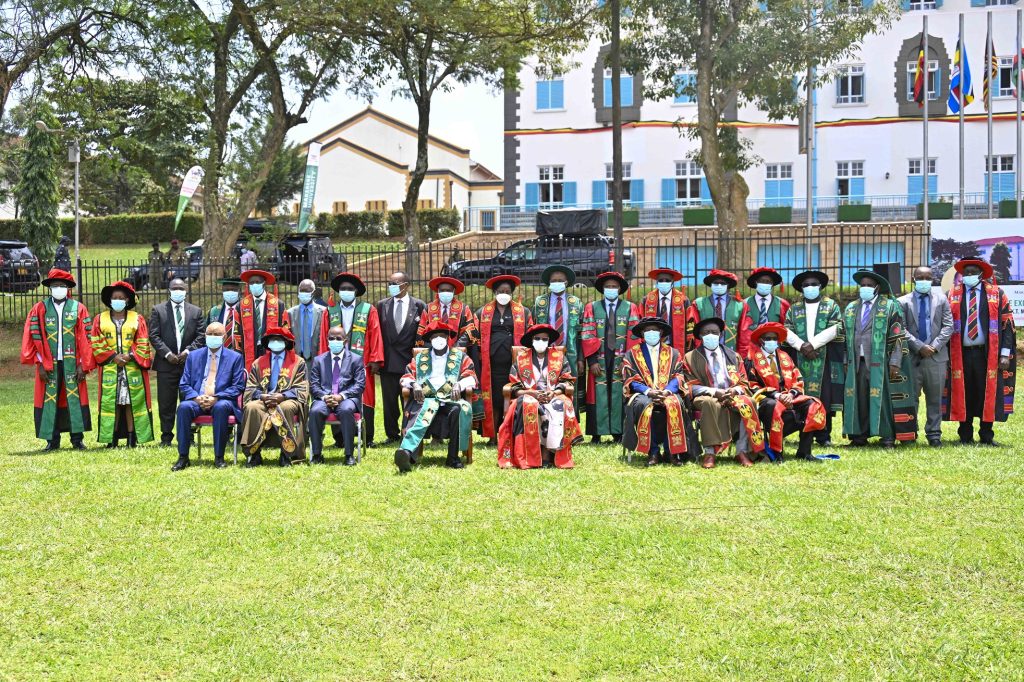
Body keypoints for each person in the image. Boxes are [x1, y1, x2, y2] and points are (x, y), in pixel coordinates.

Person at [944, 258, 1017, 445]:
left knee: (987, 392)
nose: (969, 275)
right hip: (961, 353)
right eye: (966, 272)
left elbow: (1007, 326)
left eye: (973, 272)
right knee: (963, 392)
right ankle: (965, 435)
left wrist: (1004, 354)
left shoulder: (997, 294)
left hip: (988, 354)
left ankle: (986, 435)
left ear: (981, 274)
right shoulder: (952, 294)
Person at [20, 268, 95, 451]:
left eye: (62, 285)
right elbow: (33, 337)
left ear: (68, 288)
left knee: (74, 399)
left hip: (73, 363)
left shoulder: (78, 308)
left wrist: (82, 365)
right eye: (55, 285)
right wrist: (40, 364)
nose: (59, 288)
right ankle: (51, 441)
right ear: (50, 288)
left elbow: (86, 338)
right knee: (49, 399)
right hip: (48, 362)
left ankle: (77, 439)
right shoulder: (40, 309)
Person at [841, 270, 917, 447]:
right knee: (858, 399)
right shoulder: (851, 308)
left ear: (877, 288)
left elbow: (898, 335)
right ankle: (859, 436)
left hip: (880, 362)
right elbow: (843, 337)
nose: (865, 288)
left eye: (869, 285)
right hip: (856, 363)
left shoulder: (889, 306)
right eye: (862, 285)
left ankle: (887, 435)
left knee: (882, 400)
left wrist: (895, 361)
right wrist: (845, 360)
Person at [682, 317, 765, 468]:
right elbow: (689, 385)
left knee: (749, 402)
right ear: (700, 336)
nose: (710, 335)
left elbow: (744, 382)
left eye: (714, 332)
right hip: (705, 396)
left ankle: (742, 451)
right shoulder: (691, 357)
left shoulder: (734, 356)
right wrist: (714, 392)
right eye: (706, 332)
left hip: (732, 394)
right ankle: (710, 452)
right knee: (710, 403)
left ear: (720, 334)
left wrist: (733, 390)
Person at [394, 322, 477, 472]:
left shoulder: (460, 357)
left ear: (448, 338)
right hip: (425, 400)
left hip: (449, 400)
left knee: (459, 411)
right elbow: (405, 376)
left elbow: (471, 377)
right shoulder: (419, 358)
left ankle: (453, 458)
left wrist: (460, 384)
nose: (439, 339)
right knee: (418, 412)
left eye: (442, 336)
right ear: (430, 340)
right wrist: (414, 385)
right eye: (435, 336)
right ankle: (406, 453)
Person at [497, 323, 581, 469]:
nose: (541, 341)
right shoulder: (521, 358)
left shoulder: (560, 357)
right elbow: (515, 387)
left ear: (549, 341)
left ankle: (548, 453)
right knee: (529, 405)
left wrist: (554, 392)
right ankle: (531, 454)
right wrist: (531, 393)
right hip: (529, 394)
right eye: (537, 338)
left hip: (553, 394)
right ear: (532, 340)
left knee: (560, 405)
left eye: (544, 339)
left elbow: (567, 381)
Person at [745, 322, 826, 462]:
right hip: (765, 398)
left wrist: (791, 394)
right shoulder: (752, 358)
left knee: (812, 404)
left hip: (789, 396)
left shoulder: (785, 356)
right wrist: (777, 395)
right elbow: (751, 385)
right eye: (768, 338)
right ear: (761, 340)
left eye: (774, 338)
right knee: (772, 405)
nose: (772, 341)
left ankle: (804, 451)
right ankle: (777, 452)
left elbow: (797, 378)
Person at [171, 322, 246, 470]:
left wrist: (216, 398)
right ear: (205, 336)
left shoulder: (235, 358)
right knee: (183, 408)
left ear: (224, 337)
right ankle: (183, 457)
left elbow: (238, 386)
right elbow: (184, 384)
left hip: (221, 401)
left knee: (220, 407)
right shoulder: (193, 356)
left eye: (217, 334)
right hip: (197, 400)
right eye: (209, 334)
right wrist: (196, 398)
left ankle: (219, 457)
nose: (213, 337)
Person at [784, 270, 845, 446]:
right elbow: (786, 330)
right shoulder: (794, 308)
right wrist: (801, 346)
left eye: (814, 284)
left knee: (824, 397)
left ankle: (823, 435)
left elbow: (836, 328)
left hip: (822, 358)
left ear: (820, 287)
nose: (810, 287)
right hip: (800, 357)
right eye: (806, 285)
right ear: (801, 289)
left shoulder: (830, 305)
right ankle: (804, 432)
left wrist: (813, 344)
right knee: (801, 396)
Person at [90, 280, 155, 447]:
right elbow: (96, 342)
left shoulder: (137, 319)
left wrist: (130, 356)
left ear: (127, 300)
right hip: (110, 368)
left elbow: (143, 341)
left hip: (132, 367)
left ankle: (132, 438)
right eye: (115, 297)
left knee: (130, 402)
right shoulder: (100, 319)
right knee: (113, 402)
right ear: (110, 300)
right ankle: (111, 439)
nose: (118, 300)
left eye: (121, 297)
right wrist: (113, 356)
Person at [622, 317, 691, 466]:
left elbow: (679, 375)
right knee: (643, 405)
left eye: (654, 330)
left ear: (661, 332)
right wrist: (648, 391)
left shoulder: (673, 353)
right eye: (647, 330)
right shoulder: (632, 353)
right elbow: (630, 379)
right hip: (643, 393)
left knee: (675, 403)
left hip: (667, 392)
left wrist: (666, 391)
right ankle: (652, 452)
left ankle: (671, 451)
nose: (651, 333)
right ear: (642, 333)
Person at [581, 271, 640, 443]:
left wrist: (628, 361)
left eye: (614, 286)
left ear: (620, 289)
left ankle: (618, 432)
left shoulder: (630, 308)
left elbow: (634, 336)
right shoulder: (591, 307)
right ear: (602, 289)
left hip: (621, 357)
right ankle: (596, 433)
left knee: (618, 393)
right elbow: (587, 334)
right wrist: (591, 361)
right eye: (608, 286)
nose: (611, 289)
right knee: (597, 392)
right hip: (598, 356)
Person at [149, 278, 208, 447]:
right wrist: (167, 354)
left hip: (188, 365)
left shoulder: (196, 311)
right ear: (169, 290)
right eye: (174, 288)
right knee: (166, 402)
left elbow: (201, 336)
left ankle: (188, 437)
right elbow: (154, 336)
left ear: (186, 290)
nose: (178, 291)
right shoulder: (158, 310)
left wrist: (187, 352)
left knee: (188, 402)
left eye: (181, 288)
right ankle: (166, 437)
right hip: (166, 365)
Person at [898, 266, 953, 447]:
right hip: (912, 358)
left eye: (927, 277)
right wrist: (919, 346)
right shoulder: (902, 302)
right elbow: (901, 328)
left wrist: (934, 347)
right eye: (920, 277)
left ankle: (934, 434)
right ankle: (910, 432)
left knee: (935, 398)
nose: (923, 280)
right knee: (911, 398)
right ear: (913, 279)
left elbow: (948, 327)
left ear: (932, 279)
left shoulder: (942, 300)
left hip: (936, 358)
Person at [240, 326, 309, 467]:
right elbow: (250, 388)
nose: (275, 342)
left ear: (286, 342)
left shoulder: (298, 362)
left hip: (288, 399)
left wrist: (282, 396)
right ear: (268, 343)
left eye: (279, 339)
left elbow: (301, 387)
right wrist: (262, 396)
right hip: (263, 399)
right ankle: (255, 454)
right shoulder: (258, 362)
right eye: (273, 339)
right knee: (252, 407)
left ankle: (286, 454)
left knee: (285, 408)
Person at [326, 272, 383, 444]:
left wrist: (375, 359)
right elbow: (324, 338)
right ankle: (340, 438)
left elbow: (375, 334)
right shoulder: (330, 311)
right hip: (336, 362)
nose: (346, 291)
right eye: (343, 288)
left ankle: (367, 436)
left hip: (362, 361)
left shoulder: (368, 310)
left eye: (350, 288)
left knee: (365, 396)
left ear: (356, 291)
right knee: (336, 393)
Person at [477, 275, 532, 444]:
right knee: (493, 398)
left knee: (511, 397)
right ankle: (493, 436)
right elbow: (475, 337)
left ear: (512, 293)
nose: (504, 294)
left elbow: (529, 336)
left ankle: (511, 434)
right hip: (490, 365)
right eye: (501, 291)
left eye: (507, 291)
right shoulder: (482, 312)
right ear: (494, 292)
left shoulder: (523, 312)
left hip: (513, 364)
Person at [376, 271, 426, 446]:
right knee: (389, 402)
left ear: (406, 285)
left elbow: (423, 334)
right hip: (388, 362)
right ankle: (392, 434)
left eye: (395, 284)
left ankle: (410, 430)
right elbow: (377, 334)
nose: (391, 287)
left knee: (411, 399)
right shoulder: (382, 305)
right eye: (390, 284)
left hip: (409, 363)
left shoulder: (419, 305)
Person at [308, 326, 366, 465]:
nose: (334, 341)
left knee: (346, 410)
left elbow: (359, 385)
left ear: (345, 341)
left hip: (347, 399)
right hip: (324, 399)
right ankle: (316, 454)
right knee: (315, 411)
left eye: (338, 338)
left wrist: (341, 396)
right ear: (327, 341)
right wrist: (324, 397)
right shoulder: (318, 360)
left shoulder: (356, 360)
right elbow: (314, 385)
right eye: (331, 338)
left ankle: (349, 455)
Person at [532, 265, 584, 379]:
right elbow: (533, 330)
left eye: (560, 280)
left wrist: (581, 358)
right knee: (546, 382)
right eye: (554, 281)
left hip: (570, 351)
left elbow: (582, 334)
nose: (557, 283)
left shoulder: (576, 303)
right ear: (549, 283)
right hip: (546, 350)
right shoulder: (540, 302)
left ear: (566, 282)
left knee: (569, 384)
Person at [688, 269, 750, 357]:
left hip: (731, 352)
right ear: (711, 285)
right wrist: (698, 353)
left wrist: (741, 356)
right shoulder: (699, 304)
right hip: (705, 352)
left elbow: (744, 333)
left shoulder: (740, 305)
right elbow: (695, 331)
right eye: (716, 283)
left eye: (723, 283)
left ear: (728, 285)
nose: (719, 285)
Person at [238, 269, 285, 369]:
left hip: (271, 347)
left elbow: (284, 329)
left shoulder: (278, 304)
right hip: (250, 349)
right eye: (251, 283)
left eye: (257, 282)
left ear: (264, 283)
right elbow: (238, 332)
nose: (254, 285)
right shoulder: (241, 306)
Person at [640, 268, 690, 353]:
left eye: (667, 280)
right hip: (652, 344)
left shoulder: (683, 300)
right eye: (661, 280)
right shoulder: (646, 300)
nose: (664, 283)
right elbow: (640, 322)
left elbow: (689, 323)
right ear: (657, 282)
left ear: (672, 282)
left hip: (675, 345)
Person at [741, 267, 790, 352]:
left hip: (775, 348)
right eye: (761, 281)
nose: (765, 284)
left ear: (772, 284)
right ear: (756, 283)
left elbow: (786, 328)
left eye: (768, 282)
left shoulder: (782, 304)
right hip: (751, 349)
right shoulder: (744, 303)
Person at [285, 279, 329, 365]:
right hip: (296, 359)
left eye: (307, 290)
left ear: (313, 292)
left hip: (317, 358)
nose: (304, 293)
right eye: (302, 290)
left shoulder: (323, 312)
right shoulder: (290, 313)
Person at [207, 277, 244, 354]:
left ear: (239, 291)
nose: (230, 292)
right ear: (222, 291)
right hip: (218, 352)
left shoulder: (245, 310)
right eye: (227, 290)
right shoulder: (214, 311)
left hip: (241, 352)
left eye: (233, 290)